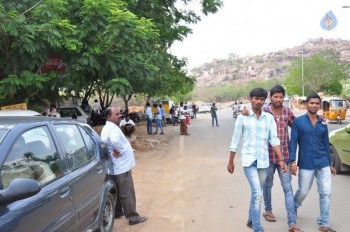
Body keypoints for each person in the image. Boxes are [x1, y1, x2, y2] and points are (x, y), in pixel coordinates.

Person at [227, 87, 287, 232]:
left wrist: (281, 160)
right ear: (250, 98)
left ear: (264, 101)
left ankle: (250, 219)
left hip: (263, 162)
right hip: (249, 161)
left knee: (256, 193)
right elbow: (235, 140)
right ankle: (257, 228)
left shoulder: (269, 118)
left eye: (261, 99)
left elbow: (274, 139)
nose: (259, 102)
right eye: (256, 99)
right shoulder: (243, 117)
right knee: (257, 193)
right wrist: (231, 161)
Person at [289, 93, 337, 232]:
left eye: (317, 103)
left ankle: (324, 223)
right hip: (306, 162)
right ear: (306, 104)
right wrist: (292, 161)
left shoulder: (323, 122)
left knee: (326, 193)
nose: (314, 105)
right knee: (303, 191)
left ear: (319, 105)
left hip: (323, 162)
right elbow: (293, 143)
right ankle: (293, 206)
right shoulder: (298, 122)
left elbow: (326, 143)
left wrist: (330, 164)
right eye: (312, 103)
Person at [260, 85, 302, 232]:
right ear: (270, 97)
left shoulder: (287, 111)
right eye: (275, 97)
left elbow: (297, 125)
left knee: (288, 188)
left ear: (284, 98)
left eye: (280, 97)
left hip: (284, 157)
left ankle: (292, 222)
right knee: (268, 185)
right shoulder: (264, 111)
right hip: (267, 157)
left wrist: (316, 117)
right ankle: (268, 210)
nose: (278, 99)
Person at [101, 106, 148, 225]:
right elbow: (116, 141)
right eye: (116, 114)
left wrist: (116, 150)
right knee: (127, 193)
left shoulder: (107, 128)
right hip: (121, 167)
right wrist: (120, 151)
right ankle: (133, 217)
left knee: (117, 191)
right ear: (108, 116)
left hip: (116, 167)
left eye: (119, 113)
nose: (119, 115)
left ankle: (117, 212)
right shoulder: (112, 129)